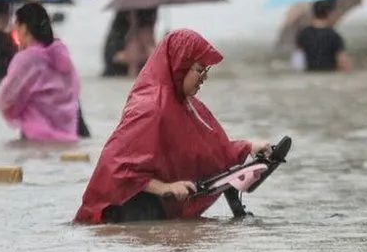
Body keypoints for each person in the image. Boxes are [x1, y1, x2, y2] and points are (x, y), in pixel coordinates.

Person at [74, 29, 270, 224]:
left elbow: (209, 150)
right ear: (180, 66)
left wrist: (249, 147)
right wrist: (164, 188)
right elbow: (117, 166)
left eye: (206, 71)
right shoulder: (149, 107)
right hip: (127, 212)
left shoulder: (187, 105)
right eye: (200, 70)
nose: (204, 78)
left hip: (157, 210)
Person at [0, 3, 80, 142]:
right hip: (68, 138)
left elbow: (5, 100)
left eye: (15, 27)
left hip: (35, 138)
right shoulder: (63, 56)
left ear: (23, 28)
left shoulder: (26, 59)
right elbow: (74, 92)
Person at [295, 0, 351, 72]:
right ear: (329, 13)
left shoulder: (304, 33)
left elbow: (297, 60)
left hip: (309, 74)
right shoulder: (334, 36)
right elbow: (343, 62)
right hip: (330, 75)